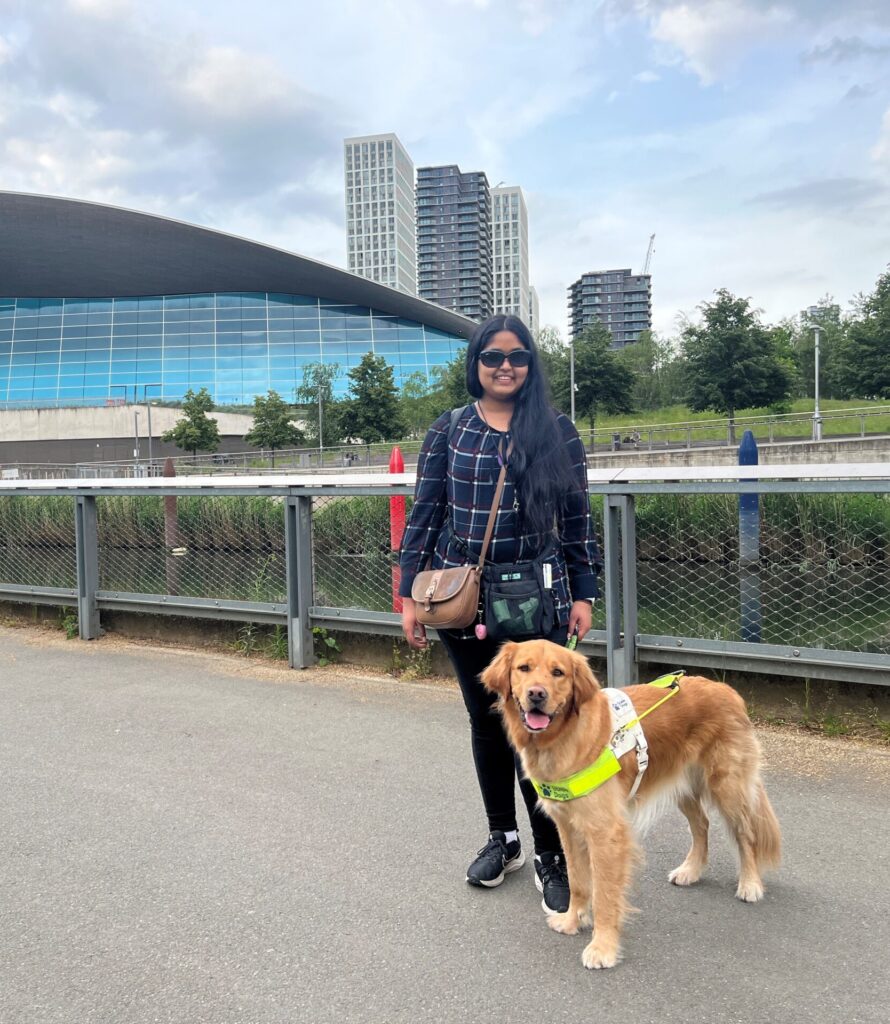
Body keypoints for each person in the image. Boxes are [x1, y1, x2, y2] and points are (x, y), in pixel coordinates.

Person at [398, 314, 602, 915]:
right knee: (488, 721)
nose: (505, 366)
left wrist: (585, 593)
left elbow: (577, 521)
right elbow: (425, 513)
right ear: (476, 365)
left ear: (531, 364)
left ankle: (551, 849)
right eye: (492, 357)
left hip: (541, 601)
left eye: (517, 357)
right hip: (467, 605)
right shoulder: (451, 429)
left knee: (545, 726)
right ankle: (503, 837)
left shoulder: (556, 430)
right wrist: (408, 594)